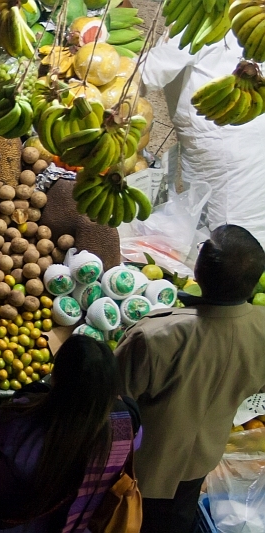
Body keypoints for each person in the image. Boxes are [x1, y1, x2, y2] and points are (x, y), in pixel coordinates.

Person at [115, 224, 265, 532]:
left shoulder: (157, 335)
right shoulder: (261, 329)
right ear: (252, 286)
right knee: (177, 520)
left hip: (143, 468)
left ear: (196, 273)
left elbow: (113, 400)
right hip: (201, 460)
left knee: (125, 520)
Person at [0, 336, 140, 533]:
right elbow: (133, 444)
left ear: (56, 376)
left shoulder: (22, 419)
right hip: (74, 525)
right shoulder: (123, 428)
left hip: (13, 523)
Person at [142, 35, 265, 247]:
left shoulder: (207, 18)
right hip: (237, 143)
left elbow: (145, 75)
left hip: (226, 152)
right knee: (225, 231)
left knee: (227, 240)